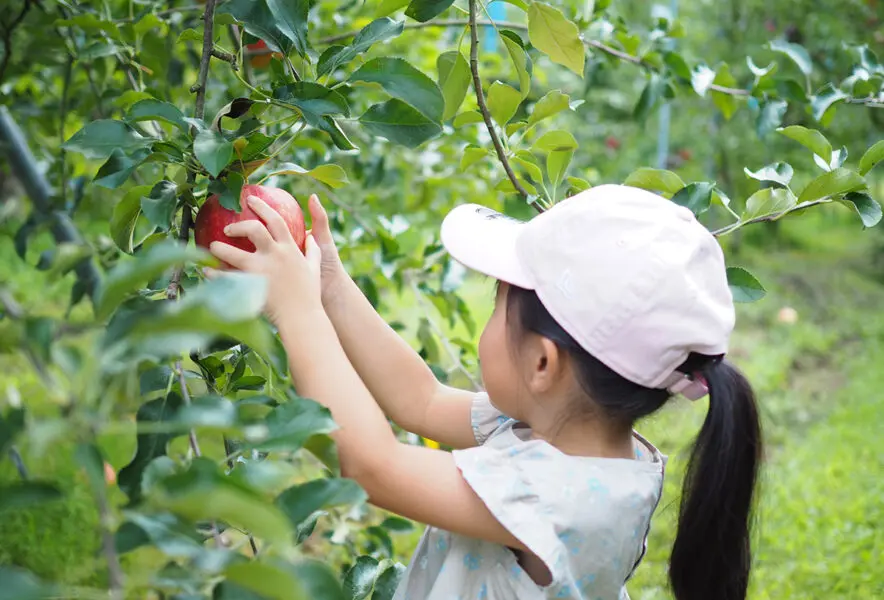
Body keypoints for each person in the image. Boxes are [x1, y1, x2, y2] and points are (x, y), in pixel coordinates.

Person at [206, 184, 763, 600]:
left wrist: (294, 308)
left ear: (542, 362)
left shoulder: (558, 498)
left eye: (498, 303)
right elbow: (417, 400)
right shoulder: (553, 433)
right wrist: (327, 284)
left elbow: (372, 466)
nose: (491, 315)